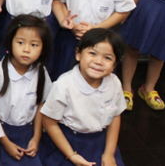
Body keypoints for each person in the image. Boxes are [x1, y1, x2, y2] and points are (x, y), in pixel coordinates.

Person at [40, 29, 127, 166]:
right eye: (93, 53)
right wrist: (71, 155)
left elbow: (115, 116)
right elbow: (49, 123)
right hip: (67, 142)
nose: (99, 61)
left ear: (114, 65)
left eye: (108, 58)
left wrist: (109, 153)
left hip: (100, 142)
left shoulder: (114, 82)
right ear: (78, 54)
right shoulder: (64, 84)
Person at [0, 15, 53, 166]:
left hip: (28, 133)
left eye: (34, 45)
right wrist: (6, 143)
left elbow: (41, 104)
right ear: (10, 42)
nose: (26, 50)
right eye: (20, 42)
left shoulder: (41, 72)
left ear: (43, 48)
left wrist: (36, 138)